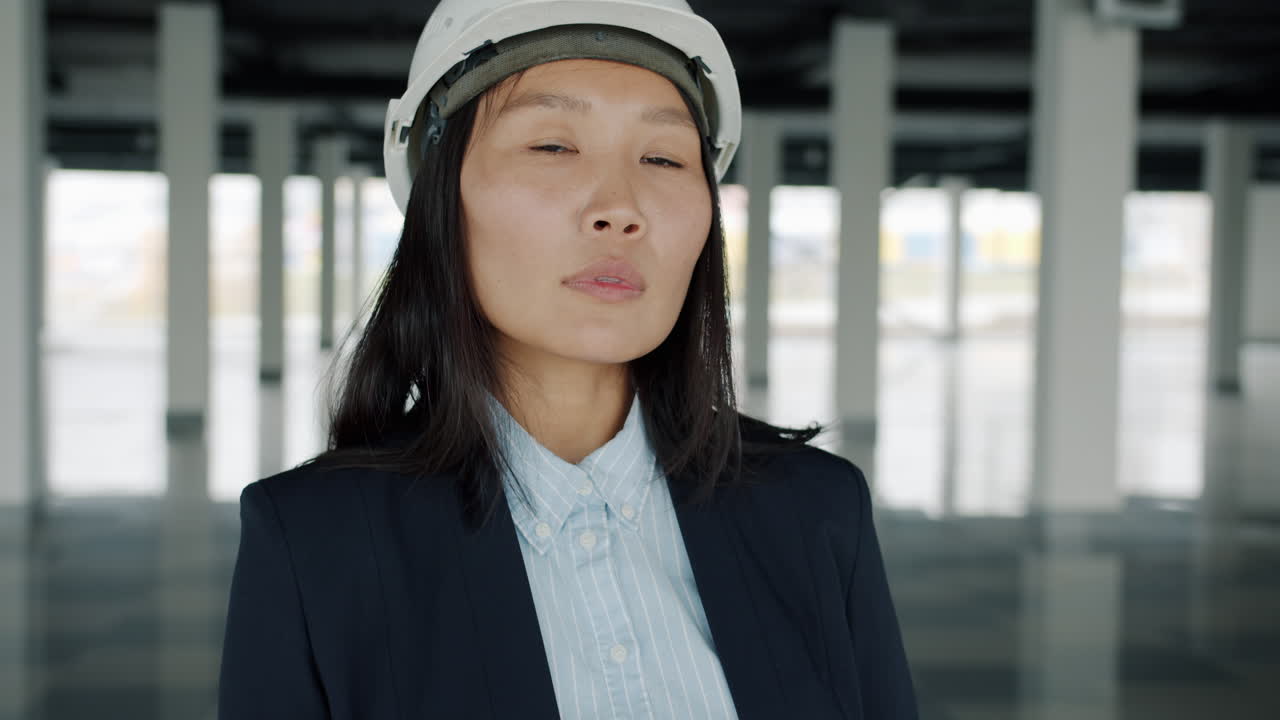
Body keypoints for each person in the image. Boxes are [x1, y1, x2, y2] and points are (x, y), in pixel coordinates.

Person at [217, 0, 918, 718]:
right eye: (553, 146)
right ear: (440, 201)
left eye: (663, 158)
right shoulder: (314, 546)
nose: (620, 207)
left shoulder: (818, 512)